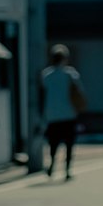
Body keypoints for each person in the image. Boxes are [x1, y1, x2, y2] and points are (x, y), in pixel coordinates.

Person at [37, 42, 86, 179]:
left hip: (52, 115)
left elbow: (41, 95)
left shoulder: (46, 75)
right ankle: (67, 170)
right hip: (69, 113)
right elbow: (79, 91)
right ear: (65, 58)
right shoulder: (70, 74)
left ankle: (52, 164)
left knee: (53, 142)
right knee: (69, 143)